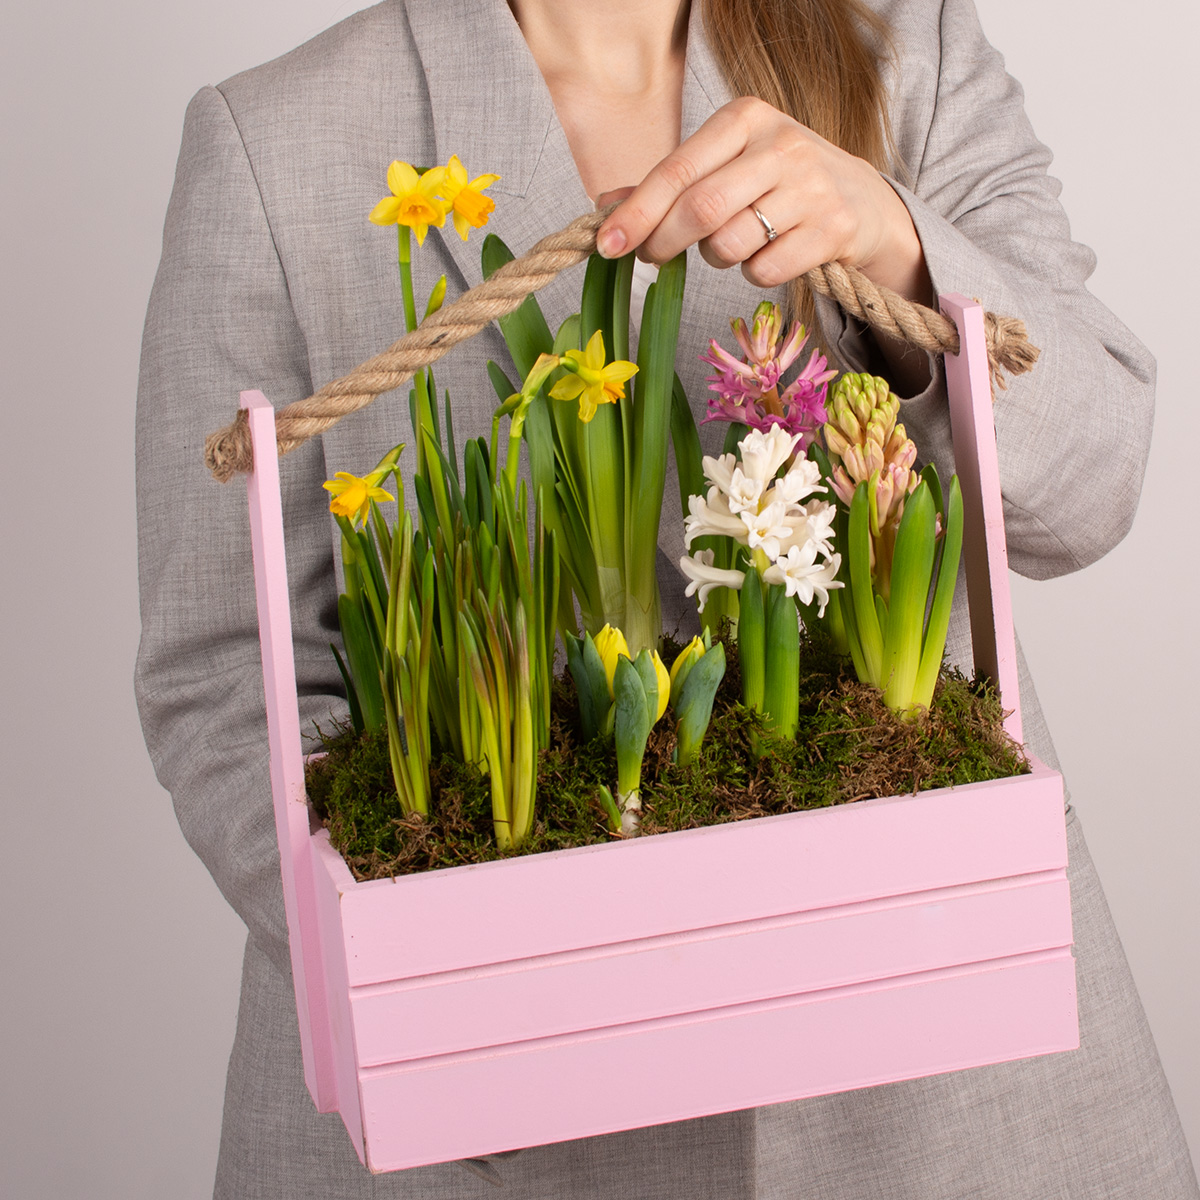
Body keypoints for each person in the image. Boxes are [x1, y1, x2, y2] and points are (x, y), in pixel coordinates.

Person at [134, 0, 1200, 1196]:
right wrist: (459, 1000)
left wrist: (898, 245)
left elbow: (1094, 486)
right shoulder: (273, 141)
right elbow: (221, 680)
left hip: (924, 1084)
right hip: (486, 1128)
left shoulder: (906, 44)